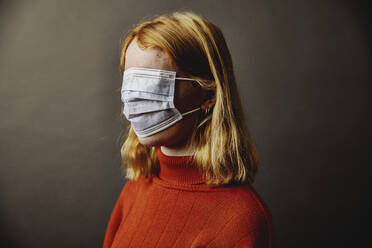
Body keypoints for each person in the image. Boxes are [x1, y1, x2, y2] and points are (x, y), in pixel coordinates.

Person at [103, 11, 276, 248]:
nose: (136, 100)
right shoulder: (135, 190)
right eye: (131, 84)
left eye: (152, 86)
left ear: (208, 95)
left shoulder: (241, 220)